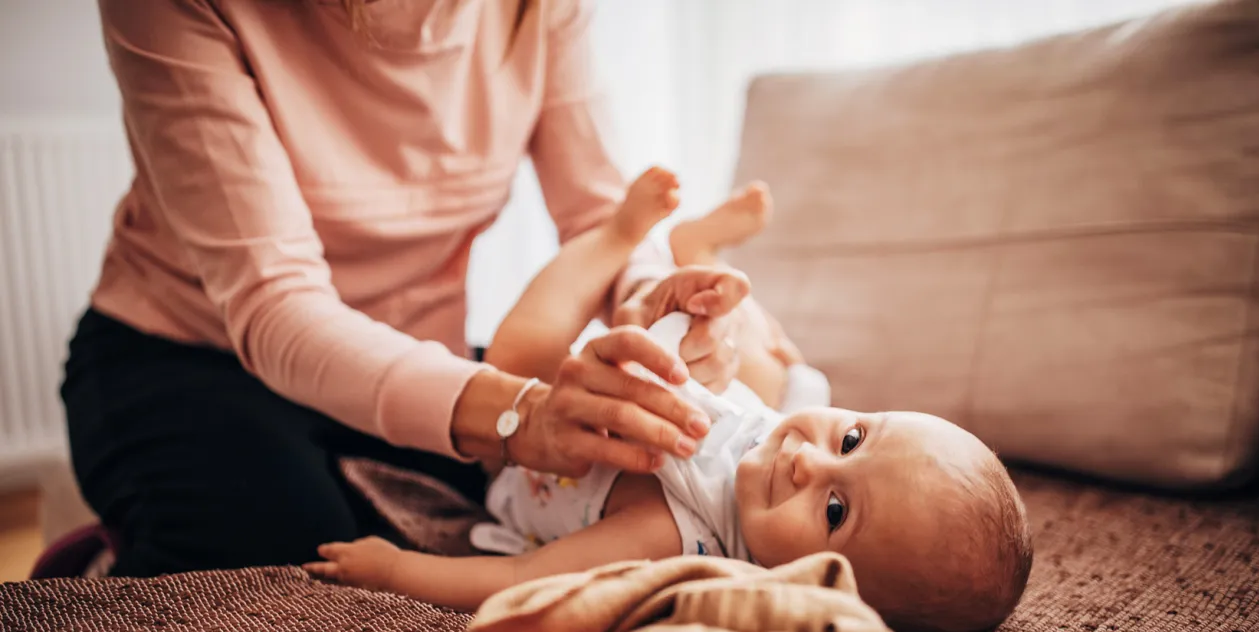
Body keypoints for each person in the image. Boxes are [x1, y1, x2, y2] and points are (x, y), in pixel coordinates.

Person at [62, 0, 796, 578]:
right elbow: (275, 305)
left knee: (517, 520)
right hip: (185, 354)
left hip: (418, 351)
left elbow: (602, 216)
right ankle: (99, 560)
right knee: (290, 554)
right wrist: (521, 415)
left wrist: (653, 302)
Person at [308, 169, 1036, 632]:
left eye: (835, 511)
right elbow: (773, 408)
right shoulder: (781, 436)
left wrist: (394, 570)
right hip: (665, 392)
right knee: (759, 353)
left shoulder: (673, 536)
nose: (804, 456)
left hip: (525, 462)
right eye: (853, 438)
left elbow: (520, 583)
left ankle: (616, 238)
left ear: (821, 587)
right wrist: (685, 314)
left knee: (516, 359)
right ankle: (698, 256)